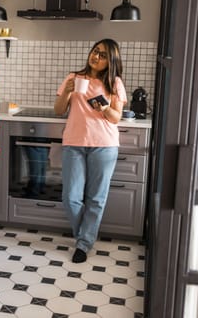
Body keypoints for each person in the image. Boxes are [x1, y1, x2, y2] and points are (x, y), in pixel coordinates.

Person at [53, 39, 127, 263]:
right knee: (71, 197)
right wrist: (66, 92)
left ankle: (83, 244)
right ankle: (84, 233)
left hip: (104, 145)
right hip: (74, 143)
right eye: (95, 52)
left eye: (103, 55)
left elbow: (116, 118)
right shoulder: (73, 78)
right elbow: (58, 111)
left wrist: (104, 107)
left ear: (110, 61)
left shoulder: (114, 83)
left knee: (96, 198)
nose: (96, 57)